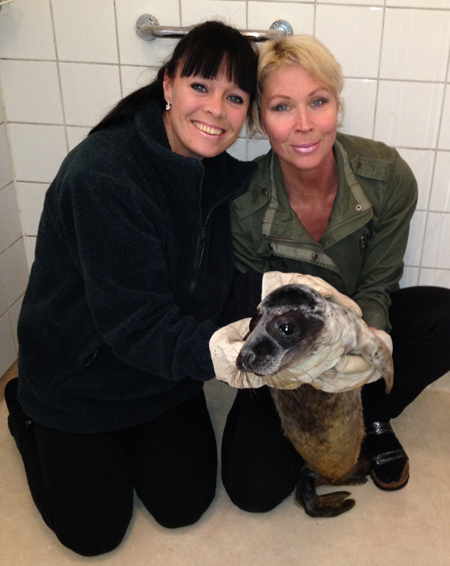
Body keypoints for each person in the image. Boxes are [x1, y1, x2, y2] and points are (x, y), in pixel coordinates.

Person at [4, 21, 266, 557]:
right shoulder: (104, 176)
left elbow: (217, 281)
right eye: (200, 86)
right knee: (94, 536)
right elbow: (137, 326)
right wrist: (236, 354)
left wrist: (280, 296)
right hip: (78, 378)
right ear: (167, 86)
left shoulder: (216, 178)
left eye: (234, 97)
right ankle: (22, 408)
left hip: (158, 376)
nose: (216, 109)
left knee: (183, 505)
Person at [222, 35, 450, 511]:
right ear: (260, 119)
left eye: (318, 102)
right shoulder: (242, 199)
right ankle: (313, 428)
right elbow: (249, 306)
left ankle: (374, 416)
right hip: (289, 348)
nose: (304, 125)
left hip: (359, 320)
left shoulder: (387, 175)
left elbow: (379, 284)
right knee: (253, 492)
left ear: (337, 105)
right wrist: (304, 375)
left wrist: (368, 342)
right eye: (282, 107)